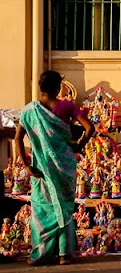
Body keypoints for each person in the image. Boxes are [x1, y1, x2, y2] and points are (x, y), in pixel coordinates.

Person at [14, 71, 94, 266]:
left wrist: (26, 165)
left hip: (40, 166)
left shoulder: (28, 111)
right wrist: (79, 146)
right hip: (64, 165)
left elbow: (17, 138)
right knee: (65, 208)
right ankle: (64, 254)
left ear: (40, 87)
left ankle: (41, 254)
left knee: (42, 207)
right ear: (59, 88)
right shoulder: (67, 106)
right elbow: (90, 128)